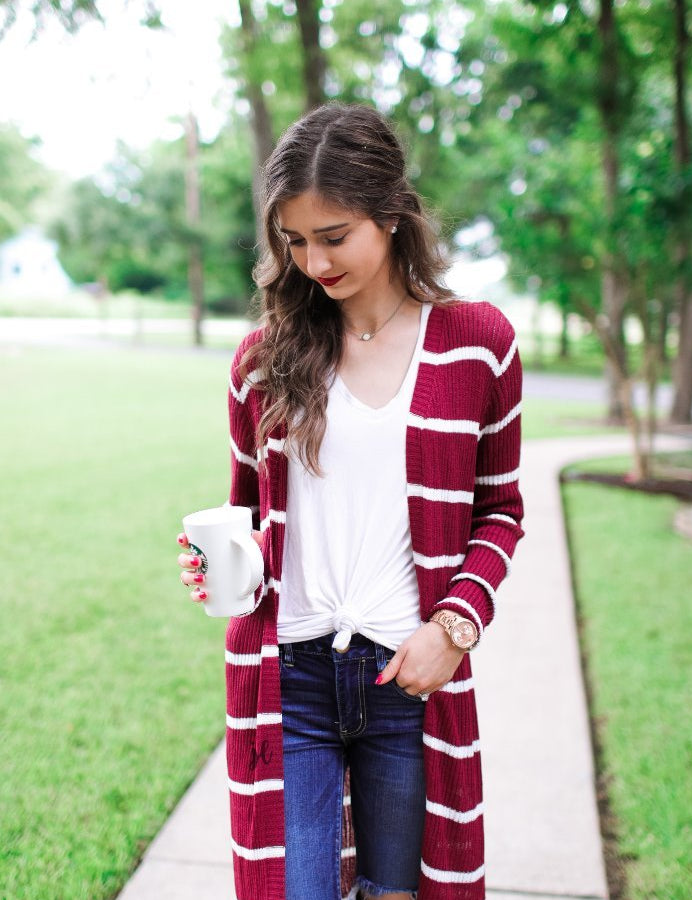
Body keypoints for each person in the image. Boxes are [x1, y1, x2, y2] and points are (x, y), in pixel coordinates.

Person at [177, 103, 524, 900]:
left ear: (393, 215)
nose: (313, 262)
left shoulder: (478, 343)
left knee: (398, 892)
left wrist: (455, 626)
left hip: (408, 677)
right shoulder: (263, 359)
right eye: (294, 241)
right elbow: (248, 513)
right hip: (289, 676)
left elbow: (500, 510)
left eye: (333, 237)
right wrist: (223, 564)